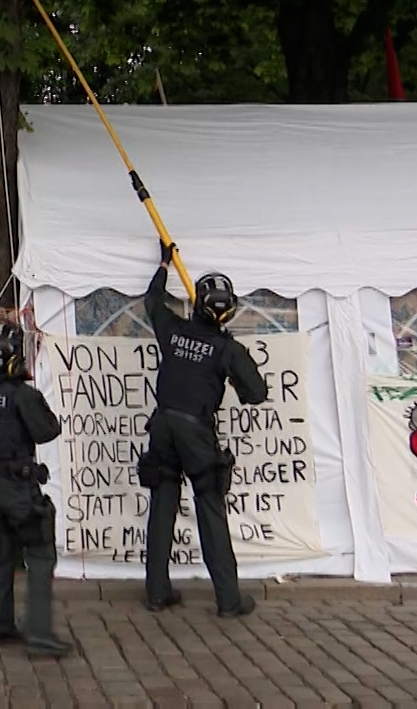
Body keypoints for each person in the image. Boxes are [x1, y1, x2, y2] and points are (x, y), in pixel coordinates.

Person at [139, 241, 269, 618]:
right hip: (196, 433)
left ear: (196, 304)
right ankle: (228, 599)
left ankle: (157, 592)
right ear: (227, 313)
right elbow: (257, 393)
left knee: (162, 506)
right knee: (211, 510)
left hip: (162, 427)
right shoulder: (227, 349)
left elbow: (152, 302)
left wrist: (164, 264)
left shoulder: (173, 330)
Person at [0, 316, 70, 658]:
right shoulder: (22, 395)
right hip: (15, 488)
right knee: (40, 556)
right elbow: (47, 430)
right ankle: (39, 634)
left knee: (0, 556)